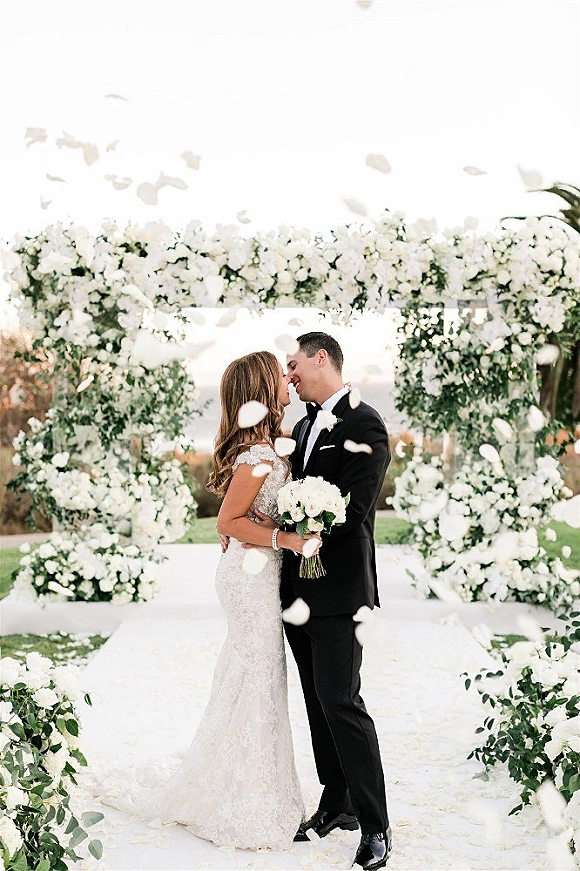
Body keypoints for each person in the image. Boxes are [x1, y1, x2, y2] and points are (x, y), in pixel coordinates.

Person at [150, 351, 320, 851]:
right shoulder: (257, 455)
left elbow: (248, 514)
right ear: (264, 388)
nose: (288, 380)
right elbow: (228, 521)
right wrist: (288, 540)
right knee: (258, 675)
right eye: (280, 375)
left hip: (259, 573)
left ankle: (258, 788)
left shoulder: (268, 446)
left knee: (256, 676)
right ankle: (246, 799)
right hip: (249, 581)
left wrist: (278, 525)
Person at [280, 332, 393, 870]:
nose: (290, 374)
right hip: (297, 593)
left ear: (320, 358)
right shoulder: (302, 427)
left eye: (294, 364)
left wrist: (311, 522)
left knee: (342, 701)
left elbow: (357, 506)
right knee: (316, 701)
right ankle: (337, 802)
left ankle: (376, 826)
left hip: (342, 591)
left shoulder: (365, 423)